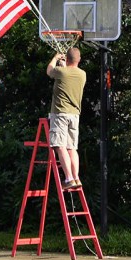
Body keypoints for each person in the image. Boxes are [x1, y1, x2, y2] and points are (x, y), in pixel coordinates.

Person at [47, 47, 87, 190]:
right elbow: (69, 73)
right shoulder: (83, 74)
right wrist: (65, 66)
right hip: (75, 115)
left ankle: (68, 178)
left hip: (60, 113)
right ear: (79, 60)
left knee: (60, 146)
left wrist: (56, 58)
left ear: (67, 59)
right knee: (72, 148)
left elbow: (49, 71)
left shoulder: (61, 72)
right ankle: (76, 177)